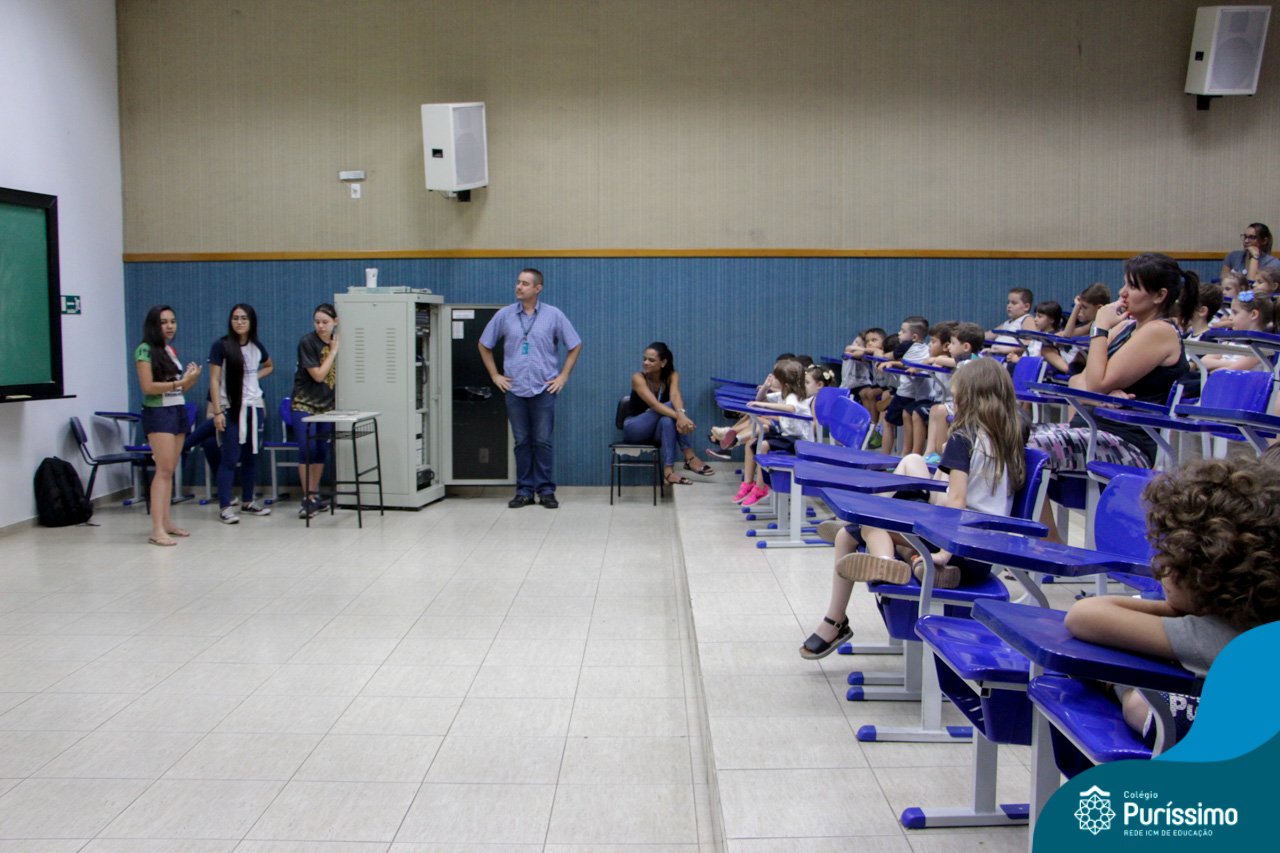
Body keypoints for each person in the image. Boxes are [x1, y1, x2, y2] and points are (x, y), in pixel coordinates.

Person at [800, 359, 1027, 658]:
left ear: (969, 398)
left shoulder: (964, 438)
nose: (952, 404)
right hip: (985, 551)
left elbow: (957, 502)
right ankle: (908, 560)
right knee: (908, 468)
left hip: (958, 546)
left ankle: (879, 568)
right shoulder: (1008, 437)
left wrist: (944, 553)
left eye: (956, 397)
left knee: (870, 525)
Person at [1065, 456, 1280, 748]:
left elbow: (1083, 616)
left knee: (1141, 706)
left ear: (1207, 580)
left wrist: (1169, 611)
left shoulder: (1215, 633)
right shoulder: (1256, 618)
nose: (1159, 568)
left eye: (1170, 557)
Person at [1028, 253, 1198, 477]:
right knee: (1007, 436)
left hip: (1126, 444)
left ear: (1159, 295)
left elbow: (1094, 385)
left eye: (1133, 286)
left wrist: (1099, 328)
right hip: (1091, 430)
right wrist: (1101, 395)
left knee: (1024, 446)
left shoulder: (1159, 331)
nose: (1122, 292)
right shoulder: (1125, 328)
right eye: (1125, 283)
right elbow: (1077, 382)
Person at [479, 268, 582, 509]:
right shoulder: (505, 315)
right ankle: (524, 491)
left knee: (542, 441)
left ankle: (546, 491)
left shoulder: (553, 315)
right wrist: (495, 375)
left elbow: (575, 344)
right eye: (518, 282)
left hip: (543, 389)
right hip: (514, 389)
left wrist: (563, 377)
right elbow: (484, 344)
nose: (519, 287)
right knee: (522, 442)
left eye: (525, 283)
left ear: (538, 288)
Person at [134, 305, 201, 546]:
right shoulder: (144, 350)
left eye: (173, 321)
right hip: (158, 412)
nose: (170, 326)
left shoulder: (169, 350)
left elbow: (179, 389)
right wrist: (179, 383)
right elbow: (148, 387)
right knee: (162, 469)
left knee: (170, 469)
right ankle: (156, 529)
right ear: (154, 325)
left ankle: (167, 522)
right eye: (164, 322)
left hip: (177, 409)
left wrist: (190, 380)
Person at [208, 304, 273, 523]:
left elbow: (269, 365)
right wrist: (217, 411)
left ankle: (248, 501)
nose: (239, 322)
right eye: (235, 318)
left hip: (254, 407)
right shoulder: (221, 346)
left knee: (251, 457)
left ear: (251, 322)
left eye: (244, 318)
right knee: (229, 458)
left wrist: (253, 379)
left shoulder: (256, 346)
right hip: (232, 409)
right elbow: (214, 380)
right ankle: (225, 507)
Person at [623, 342, 713, 486]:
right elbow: (654, 405)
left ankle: (668, 472)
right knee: (671, 407)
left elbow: (675, 395)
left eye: (651, 360)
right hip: (635, 428)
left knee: (667, 420)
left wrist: (680, 416)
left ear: (663, 362)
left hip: (656, 431)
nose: (646, 363)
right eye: (645, 359)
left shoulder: (672, 375)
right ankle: (689, 456)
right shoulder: (638, 377)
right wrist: (681, 417)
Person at [732, 359, 814, 506]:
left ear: (785, 383)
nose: (772, 378)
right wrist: (766, 387)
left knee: (763, 445)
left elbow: (790, 409)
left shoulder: (793, 397)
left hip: (800, 441)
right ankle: (748, 484)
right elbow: (760, 398)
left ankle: (761, 488)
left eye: (776, 377)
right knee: (751, 443)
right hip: (787, 436)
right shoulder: (783, 394)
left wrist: (763, 405)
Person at [292, 302, 339, 519]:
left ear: (335, 322)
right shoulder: (307, 342)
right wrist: (333, 352)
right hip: (304, 403)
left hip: (326, 406)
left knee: (321, 450)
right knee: (307, 448)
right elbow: (318, 375)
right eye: (317, 322)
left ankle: (313, 496)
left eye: (325, 322)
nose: (320, 326)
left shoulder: (337, 339)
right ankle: (307, 498)